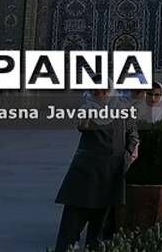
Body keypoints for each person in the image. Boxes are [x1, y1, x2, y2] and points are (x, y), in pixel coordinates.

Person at [53, 90, 139, 252]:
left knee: (99, 231)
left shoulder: (124, 110)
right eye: (97, 90)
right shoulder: (88, 109)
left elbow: (133, 135)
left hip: (111, 173)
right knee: (71, 224)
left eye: (105, 90)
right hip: (85, 173)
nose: (102, 94)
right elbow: (82, 126)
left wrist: (127, 156)